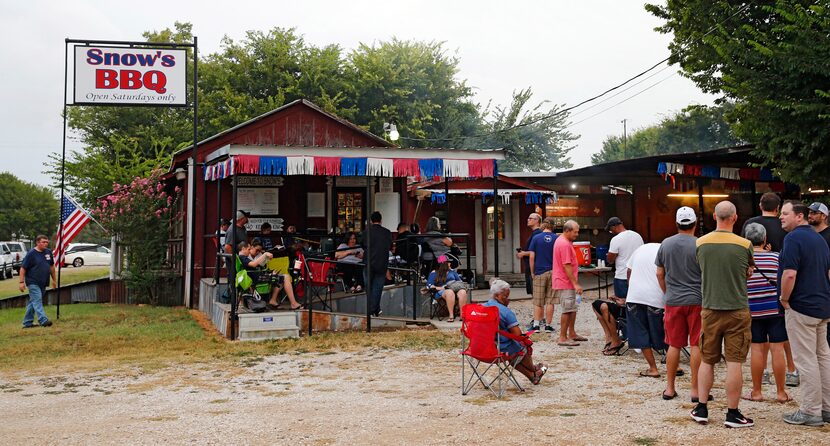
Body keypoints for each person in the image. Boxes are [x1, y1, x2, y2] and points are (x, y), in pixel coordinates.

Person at [691, 200, 755, 428]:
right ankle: (733, 413)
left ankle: (701, 407)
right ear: (735, 218)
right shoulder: (745, 243)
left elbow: (702, 269)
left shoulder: (701, 243)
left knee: (707, 360)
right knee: (735, 361)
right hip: (737, 309)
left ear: (714, 217)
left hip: (710, 309)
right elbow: (747, 272)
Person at [778, 201, 830, 426]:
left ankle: (810, 410)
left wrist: (784, 298)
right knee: (822, 358)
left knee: (806, 359)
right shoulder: (820, 239)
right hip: (821, 305)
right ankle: (826, 408)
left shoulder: (793, 239)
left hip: (801, 306)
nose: (781, 217)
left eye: (785, 213)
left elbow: (790, 274)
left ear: (799, 217)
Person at [743, 192, 799, 386]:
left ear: (760, 205)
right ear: (777, 208)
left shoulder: (749, 226)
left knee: (757, 346)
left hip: (753, 304)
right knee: (781, 343)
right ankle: (790, 374)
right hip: (776, 301)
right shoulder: (785, 229)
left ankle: (761, 380)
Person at [656, 207, 703, 401]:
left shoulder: (666, 244)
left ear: (676, 223)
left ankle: (669, 388)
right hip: (698, 299)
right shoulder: (701, 244)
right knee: (696, 344)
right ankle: (695, 390)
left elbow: (659, 273)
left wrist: (668, 292)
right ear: (695, 223)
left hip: (674, 300)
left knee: (673, 345)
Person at [742, 223, 790, 403]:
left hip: (753, 310)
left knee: (756, 349)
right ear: (764, 239)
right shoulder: (777, 257)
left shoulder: (744, 260)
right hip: (775, 309)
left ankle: (757, 391)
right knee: (777, 349)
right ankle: (780, 392)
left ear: (747, 240)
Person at [482, 278, 547, 385]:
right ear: (497, 295)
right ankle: (533, 369)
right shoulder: (505, 312)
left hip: (479, 349)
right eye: (506, 296)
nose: (508, 299)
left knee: (513, 348)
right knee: (522, 345)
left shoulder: (480, 308)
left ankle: (533, 376)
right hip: (498, 351)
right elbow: (518, 335)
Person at [625, 243, 666, 379]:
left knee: (640, 332)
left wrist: (631, 287)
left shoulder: (639, 249)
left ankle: (653, 368)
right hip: (656, 297)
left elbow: (629, 271)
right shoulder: (665, 250)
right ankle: (674, 365)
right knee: (664, 332)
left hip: (635, 296)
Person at [241, 241, 302, 311]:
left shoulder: (255, 255)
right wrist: (265, 254)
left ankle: (274, 300)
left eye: (259, 251)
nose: (258, 252)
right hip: (256, 279)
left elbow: (262, 267)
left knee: (282, 277)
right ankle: (292, 303)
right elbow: (254, 265)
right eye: (256, 250)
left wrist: (270, 273)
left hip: (260, 275)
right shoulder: (245, 257)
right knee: (285, 277)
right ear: (251, 247)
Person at [553, 220, 586, 346]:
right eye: (575, 232)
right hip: (565, 281)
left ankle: (571, 333)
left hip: (567, 281)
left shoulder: (563, 241)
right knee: (567, 309)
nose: (577, 234)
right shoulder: (564, 244)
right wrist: (575, 283)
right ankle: (562, 337)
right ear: (567, 230)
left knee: (573, 307)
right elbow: (566, 266)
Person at [527, 217, 558, 333]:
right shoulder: (557, 238)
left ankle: (536, 325)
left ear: (543, 225)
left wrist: (532, 272)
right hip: (553, 271)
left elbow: (531, 257)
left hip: (539, 271)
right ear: (553, 226)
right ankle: (548, 326)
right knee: (550, 300)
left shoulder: (536, 238)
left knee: (538, 300)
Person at [19, 235, 55, 328]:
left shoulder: (48, 252)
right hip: (32, 282)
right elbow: (23, 268)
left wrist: (54, 280)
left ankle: (27, 323)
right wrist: (21, 282)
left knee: (34, 302)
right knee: (38, 300)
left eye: (47, 242)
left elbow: (51, 267)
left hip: (44, 282)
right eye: (43, 242)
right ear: (37, 242)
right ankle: (43, 320)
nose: (45, 244)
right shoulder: (31, 253)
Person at [606, 217, 644, 306]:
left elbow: (610, 260)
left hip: (622, 277)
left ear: (614, 227)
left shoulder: (616, 239)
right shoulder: (637, 236)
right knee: (635, 305)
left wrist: (608, 256)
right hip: (637, 276)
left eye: (610, 230)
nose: (611, 232)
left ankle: (622, 320)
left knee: (621, 305)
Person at [363, 211, 393, 317]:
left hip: (368, 262)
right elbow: (390, 246)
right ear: (381, 220)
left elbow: (363, 245)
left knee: (369, 287)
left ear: (371, 221)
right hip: (382, 263)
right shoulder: (387, 232)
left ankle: (371, 310)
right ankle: (375, 309)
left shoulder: (366, 232)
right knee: (377, 288)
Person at [426, 255, 468, 322]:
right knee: (449, 292)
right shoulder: (434, 273)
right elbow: (429, 286)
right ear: (443, 264)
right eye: (448, 262)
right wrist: (441, 288)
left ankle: (462, 315)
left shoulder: (452, 271)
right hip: (441, 292)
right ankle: (451, 315)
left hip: (454, 289)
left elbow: (459, 281)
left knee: (462, 292)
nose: (450, 263)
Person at [517, 213, 543, 299]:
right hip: (529, 265)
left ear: (537, 221)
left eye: (530, 218)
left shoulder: (537, 233)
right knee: (533, 291)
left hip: (534, 265)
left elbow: (536, 251)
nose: (528, 220)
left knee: (535, 292)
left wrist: (524, 253)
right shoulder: (534, 233)